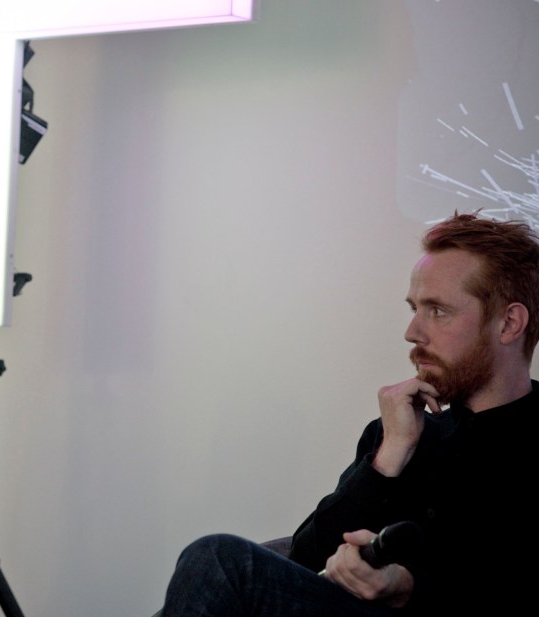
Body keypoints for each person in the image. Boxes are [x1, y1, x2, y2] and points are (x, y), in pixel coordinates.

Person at [160, 211, 539, 616]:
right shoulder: (402, 432)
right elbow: (302, 563)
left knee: (218, 561)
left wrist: (408, 589)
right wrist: (389, 455)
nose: (412, 332)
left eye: (438, 311)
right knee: (212, 574)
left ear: (509, 323)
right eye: (414, 309)